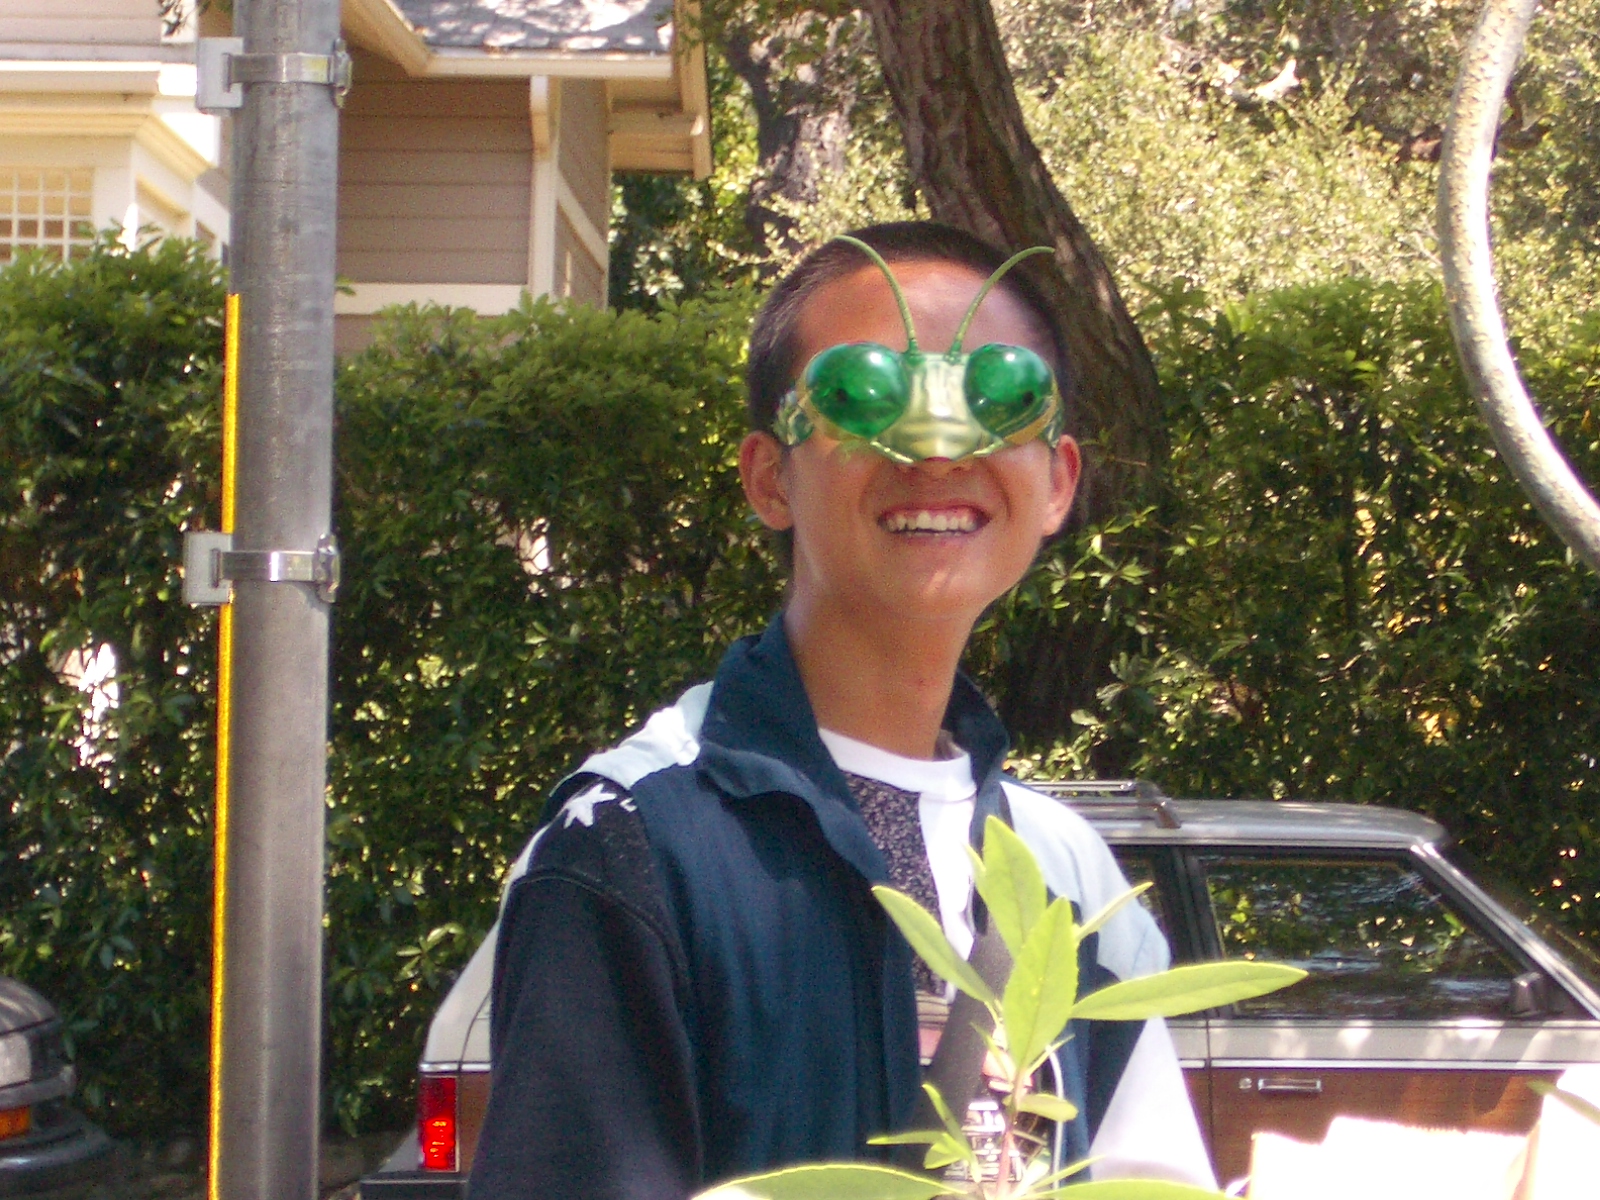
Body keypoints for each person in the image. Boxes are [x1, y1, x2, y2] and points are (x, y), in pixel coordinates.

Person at [467, 222, 1215, 1199]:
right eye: (863, 396)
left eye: (999, 398)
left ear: (1058, 482)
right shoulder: (631, 844)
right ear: (769, 477)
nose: (937, 448)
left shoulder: (1066, 877)